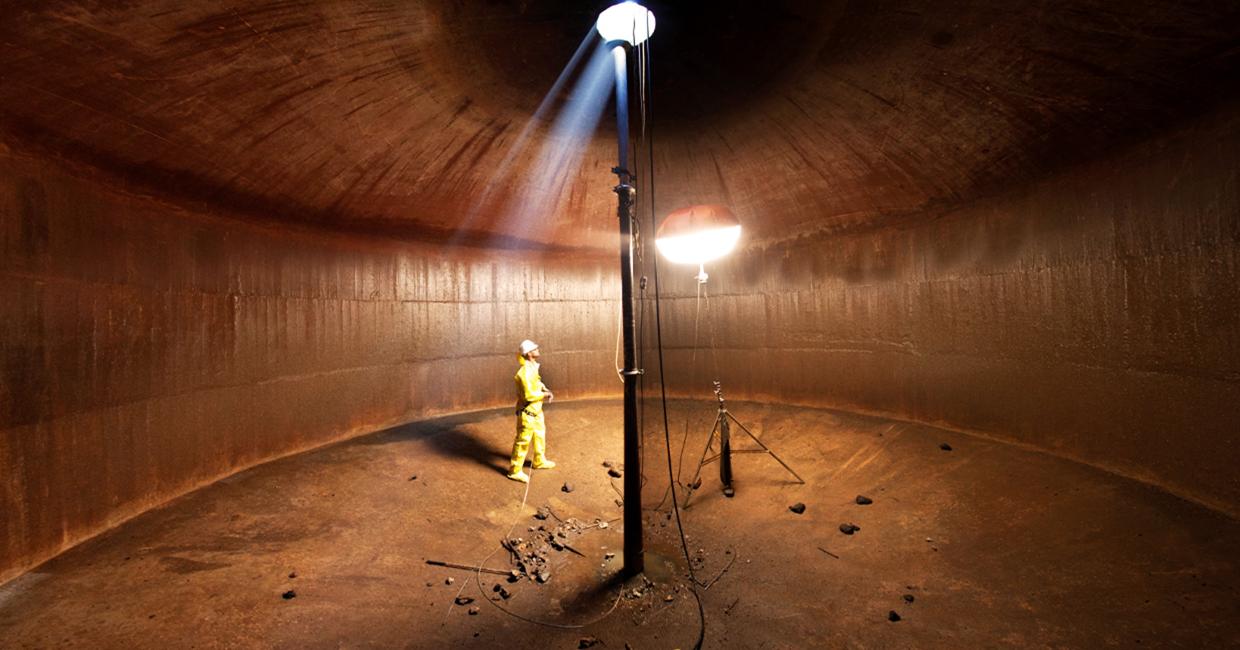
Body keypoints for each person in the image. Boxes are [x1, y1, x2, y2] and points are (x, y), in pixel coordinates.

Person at [507, 339, 556, 483]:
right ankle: (515, 470)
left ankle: (539, 461)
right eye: (535, 348)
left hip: (536, 411)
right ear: (529, 354)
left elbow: (537, 381)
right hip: (528, 413)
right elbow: (528, 395)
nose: (538, 349)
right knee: (523, 441)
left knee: (540, 435)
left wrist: (543, 387)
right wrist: (544, 394)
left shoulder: (533, 367)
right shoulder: (524, 373)